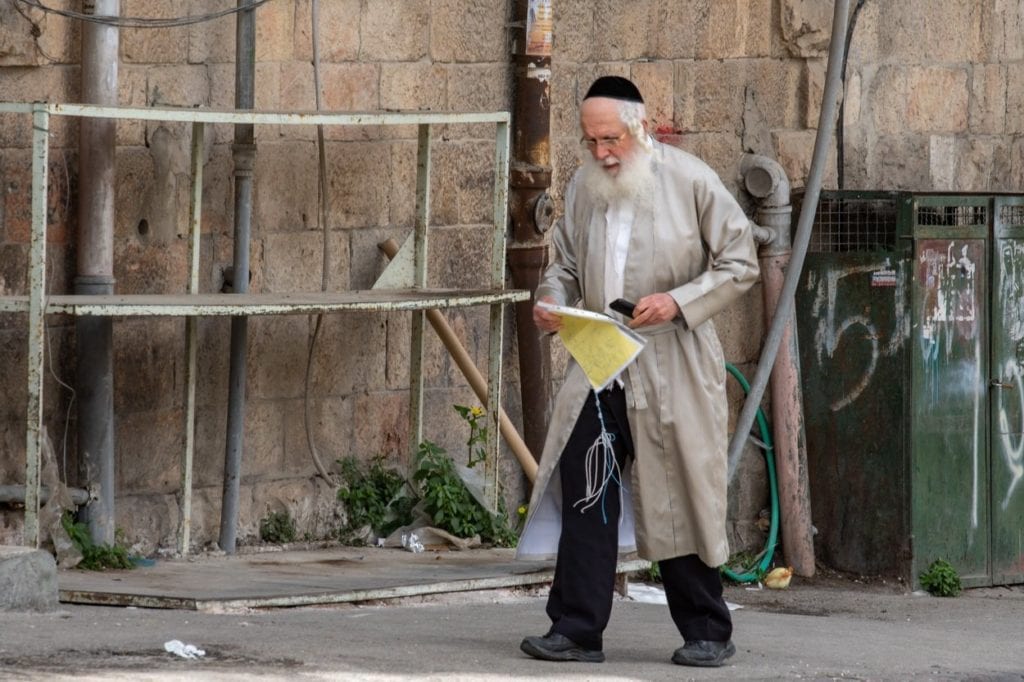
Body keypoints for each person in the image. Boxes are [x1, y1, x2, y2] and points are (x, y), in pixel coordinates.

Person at [515, 75, 760, 668]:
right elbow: (565, 266)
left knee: (678, 490)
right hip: (601, 363)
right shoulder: (582, 187)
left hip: (671, 363)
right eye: (591, 140)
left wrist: (678, 302)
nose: (601, 151)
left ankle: (707, 628)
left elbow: (739, 260)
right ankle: (576, 629)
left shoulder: (692, 180)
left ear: (640, 127)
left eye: (611, 138)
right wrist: (550, 300)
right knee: (588, 487)